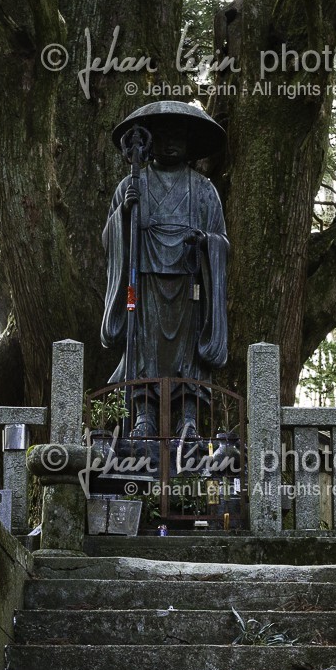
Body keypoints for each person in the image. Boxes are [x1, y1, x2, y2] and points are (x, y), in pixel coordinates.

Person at [99, 101, 230, 446]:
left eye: (179, 136)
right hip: (144, 280)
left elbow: (222, 240)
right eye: (165, 135)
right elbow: (109, 236)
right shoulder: (132, 184)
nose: (172, 142)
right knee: (145, 348)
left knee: (188, 353)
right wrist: (124, 214)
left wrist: (206, 243)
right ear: (150, 141)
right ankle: (143, 417)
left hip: (190, 281)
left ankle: (188, 418)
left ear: (190, 143)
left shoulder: (204, 190)